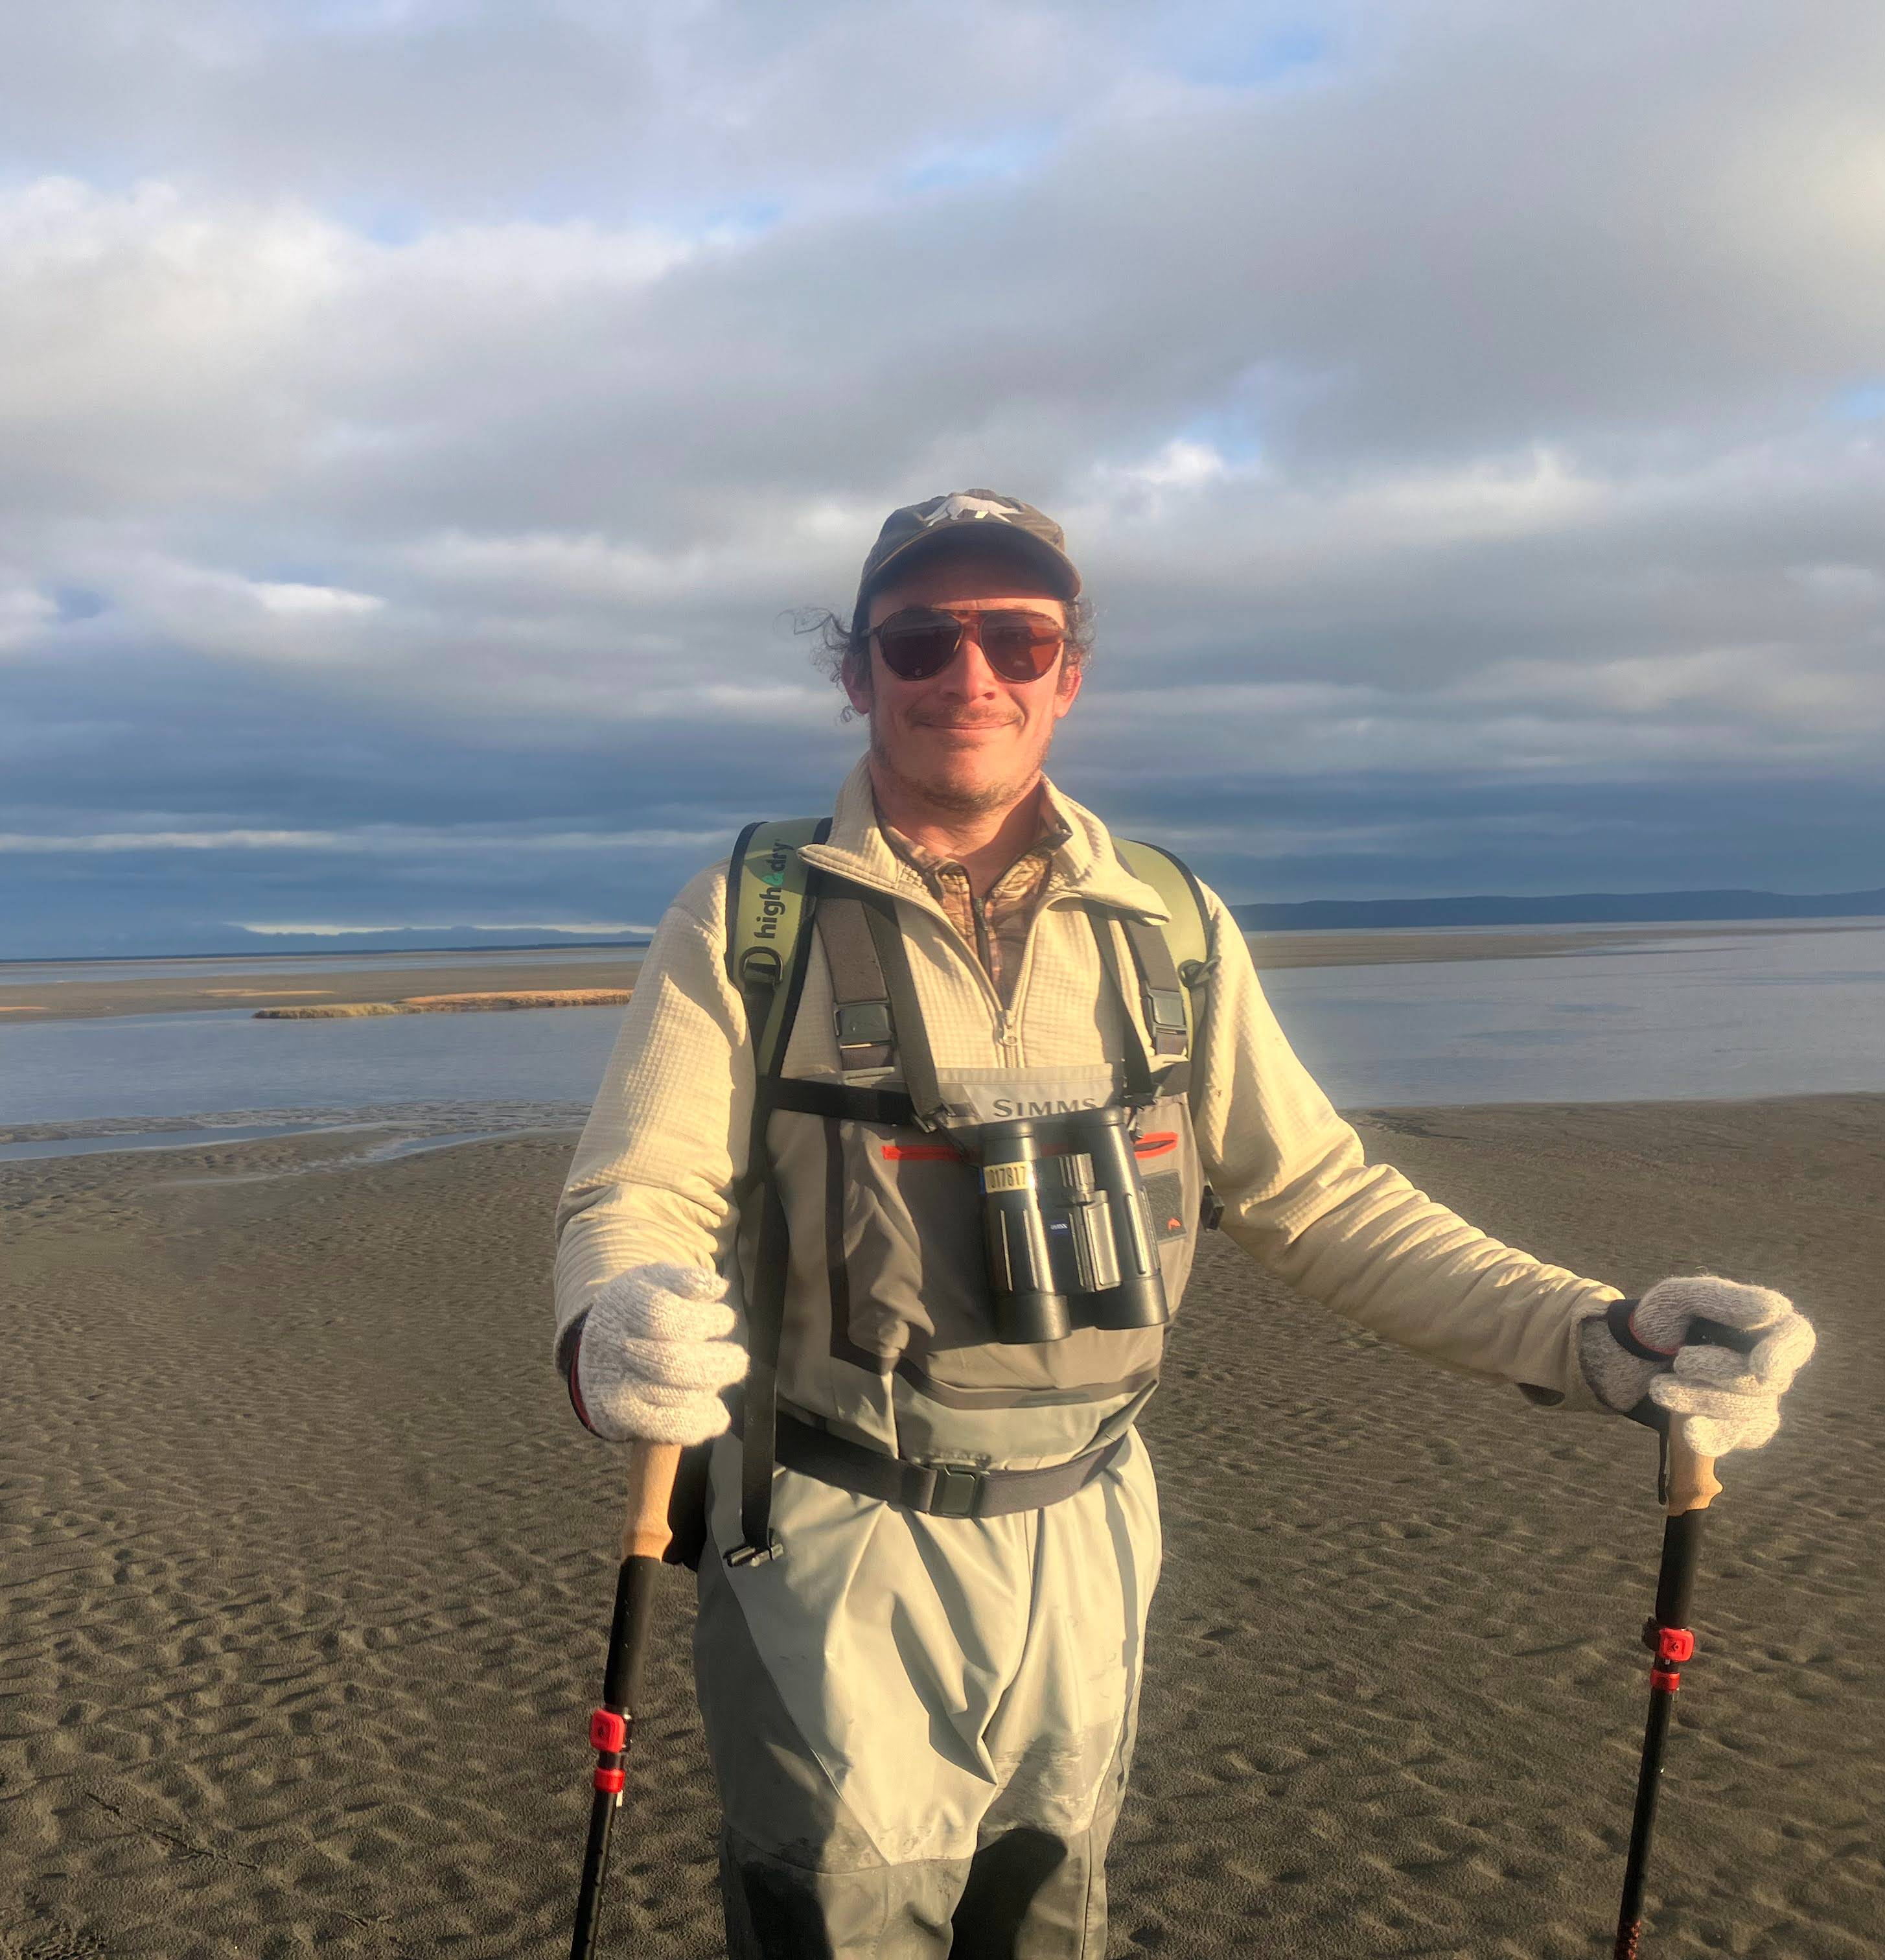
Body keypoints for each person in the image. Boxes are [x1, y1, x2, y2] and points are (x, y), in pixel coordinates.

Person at [551, 489, 1816, 1959]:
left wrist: (1596, 1335)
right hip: (831, 1538)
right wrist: (619, 1314)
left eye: (1018, 639)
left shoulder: (1171, 921)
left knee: (1049, 1916)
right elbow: (637, 1190)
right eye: (921, 640)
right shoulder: (749, 911)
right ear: (859, 674)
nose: (973, 675)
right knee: (836, 1921)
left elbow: (1319, 1195)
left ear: (1067, 674)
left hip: (1092, 1527)